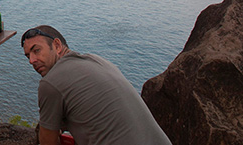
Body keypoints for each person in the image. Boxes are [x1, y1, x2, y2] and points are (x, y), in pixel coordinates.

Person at [20, 26, 171, 145]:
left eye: (36, 50)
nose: (32, 60)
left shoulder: (51, 83)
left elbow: (48, 142)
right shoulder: (97, 61)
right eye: (28, 56)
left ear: (57, 45)